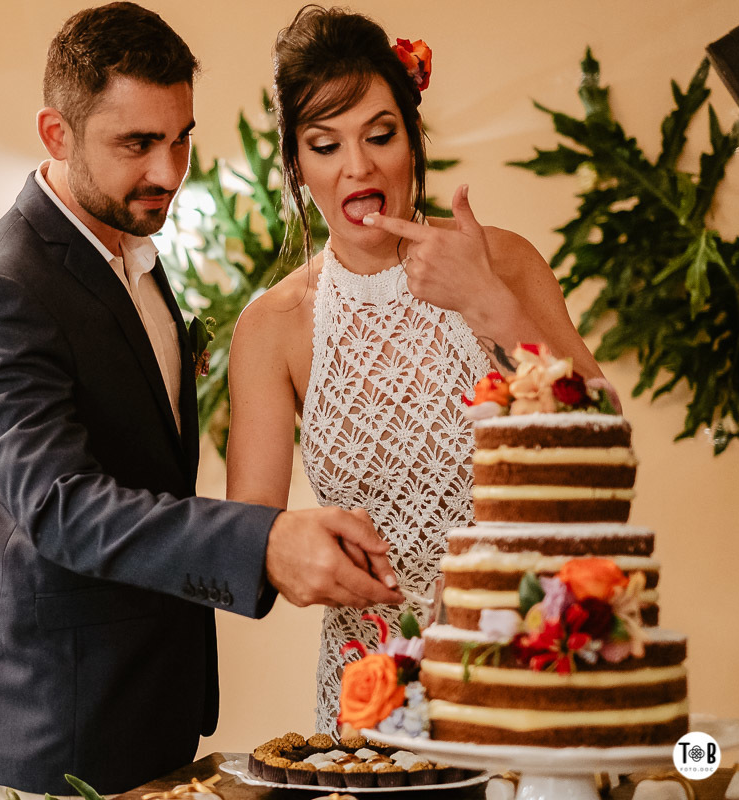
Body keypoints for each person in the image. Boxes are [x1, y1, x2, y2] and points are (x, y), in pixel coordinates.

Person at [0, 4, 404, 796]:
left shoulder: (138, 252)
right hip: (68, 714)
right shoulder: (2, 287)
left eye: (181, 137)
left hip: (157, 698)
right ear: (56, 134)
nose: (168, 171)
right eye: (136, 144)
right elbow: (59, 506)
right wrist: (262, 542)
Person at [225, 5, 608, 735]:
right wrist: (305, 550)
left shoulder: (509, 262)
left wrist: (489, 303)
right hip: (371, 696)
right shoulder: (272, 327)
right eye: (324, 144)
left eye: (379, 135)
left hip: (525, 669)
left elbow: (602, 446)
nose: (358, 166)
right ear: (296, 164)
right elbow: (251, 537)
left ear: (412, 135)